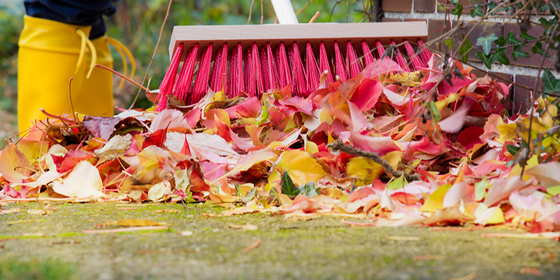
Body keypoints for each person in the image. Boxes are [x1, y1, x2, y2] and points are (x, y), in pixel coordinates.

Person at [18, 0, 133, 132]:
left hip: (90, 33)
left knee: (87, 13)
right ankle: (40, 147)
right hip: (54, 35)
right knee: (64, 8)